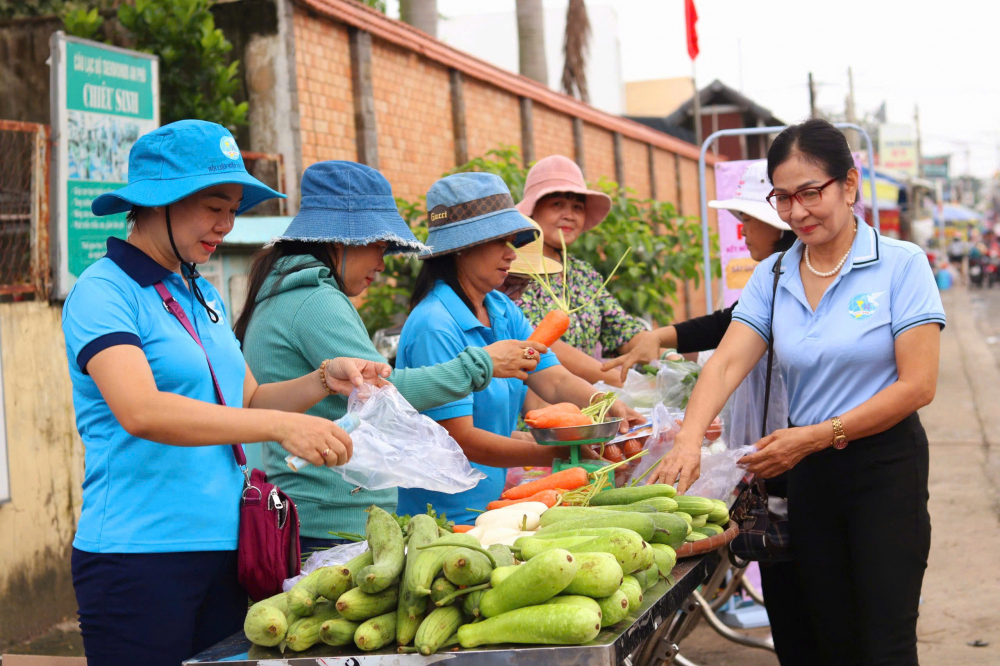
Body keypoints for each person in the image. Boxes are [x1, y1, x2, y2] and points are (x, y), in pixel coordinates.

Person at [61, 121, 390, 666]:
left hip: (228, 550)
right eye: (215, 206)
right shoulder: (103, 290)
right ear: (159, 201)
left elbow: (251, 402)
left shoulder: (201, 291)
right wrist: (282, 428)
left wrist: (322, 378)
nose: (226, 224)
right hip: (138, 557)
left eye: (234, 208)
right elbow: (140, 411)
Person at [650, 119, 945, 665]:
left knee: (884, 642)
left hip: (884, 471)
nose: (797, 211)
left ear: (849, 185)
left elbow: (917, 385)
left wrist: (815, 436)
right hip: (810, 478)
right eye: (783, 198)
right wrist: (689, 440)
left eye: (811, 193)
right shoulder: (775, 273)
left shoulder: (901, 265)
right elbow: (727, 362)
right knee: (827, 637)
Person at [237, 161, 548, 552]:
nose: (381, 265)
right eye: (378, 247)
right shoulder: (316, 301)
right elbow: (386, 392)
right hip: (328, 521)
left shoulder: (297, 292)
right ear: (341, 241)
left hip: (326, 514)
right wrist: (483, 364)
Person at [395, 172, 641, 525]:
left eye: (513, 241)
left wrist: (608, 407)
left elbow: (553, 379)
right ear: (462, 246)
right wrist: (555, 451)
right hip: (442, 519)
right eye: (501, 242)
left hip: (496, 506)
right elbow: (463, 439)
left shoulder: (501, 308)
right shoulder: (435, 325)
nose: (512, 255)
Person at [514, 155, 658, 385]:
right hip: (535, 404)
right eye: (557, 204)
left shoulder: (583, 274)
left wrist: (660, 353)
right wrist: (621, 379)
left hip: (591, 404)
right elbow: (539, 342)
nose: (569, 215)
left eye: (577, 207)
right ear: (532, 211)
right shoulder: (514, 270)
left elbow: (621, 327)